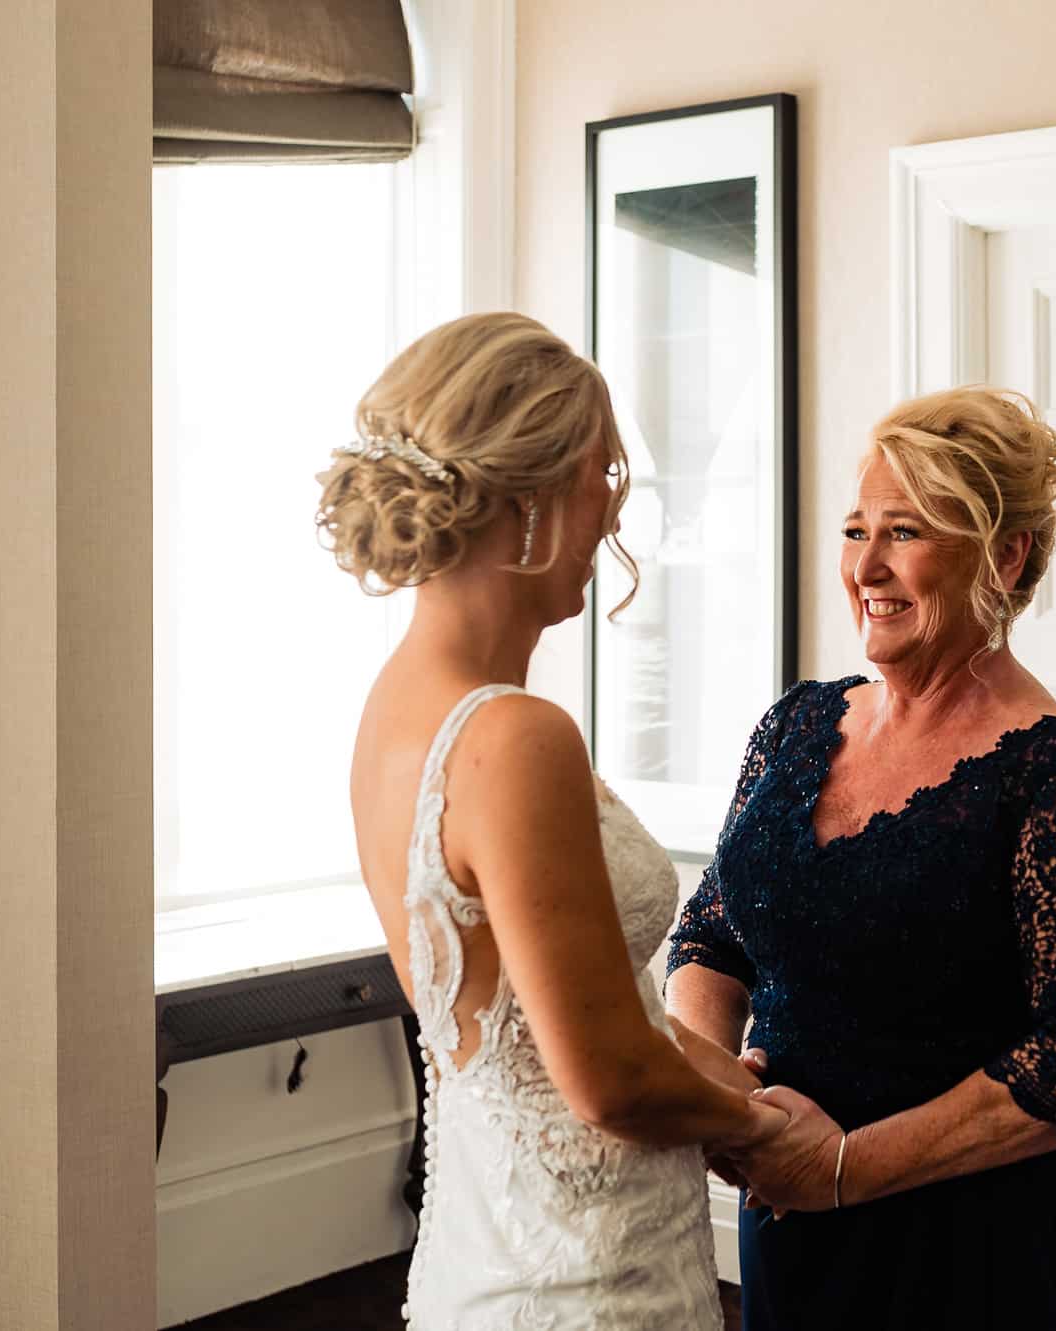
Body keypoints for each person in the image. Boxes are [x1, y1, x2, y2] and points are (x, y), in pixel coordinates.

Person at [323, 311, 787, 1329]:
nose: (609, 522)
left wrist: (717, 1067)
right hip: (588, 1282)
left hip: (488, 1251)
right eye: (599, 481)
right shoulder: (513, 736)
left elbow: (543, 1024)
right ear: (528, 496)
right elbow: (611, 1081)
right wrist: (764, 1129)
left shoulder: (396, 708)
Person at [667, 386, 1056, 1330]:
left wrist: (845, 1167)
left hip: (974, 1250)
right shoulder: (796, 723)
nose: (867, 565)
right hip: (791, 1226)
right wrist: (716, 1079)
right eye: (858, 530)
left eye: (907, 532)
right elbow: (714, 928)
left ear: (1004, 554)